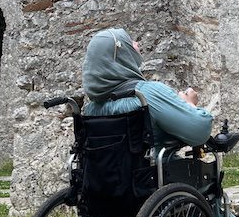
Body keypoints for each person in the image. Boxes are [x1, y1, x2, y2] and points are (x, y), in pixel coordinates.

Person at [82, 28, 213, 149]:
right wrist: (189, 103)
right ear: (122, 55)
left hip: (107, 174)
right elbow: (200, 131)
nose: (136, 43)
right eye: (129, 41)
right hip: (155, 172)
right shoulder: (147, 94)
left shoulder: (91, 110)